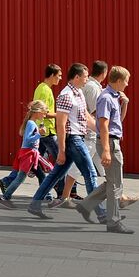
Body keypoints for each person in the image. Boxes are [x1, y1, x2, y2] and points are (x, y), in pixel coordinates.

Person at [27, 63, 105, 221]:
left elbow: (86, 117)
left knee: (56, 173)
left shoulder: (79, 94)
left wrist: (101, 131)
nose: (86, 79)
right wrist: (61, 150)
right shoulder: (66, 95)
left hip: (77, 138)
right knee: (90, 174)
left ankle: (34, 204)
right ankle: (102, 214)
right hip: (73, 139)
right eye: (84, 76)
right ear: (76, 77)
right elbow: (61, 124)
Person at [76, 66, 134, 234]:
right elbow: (103, 124)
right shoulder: (106, 98)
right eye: (126, 81)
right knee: (116, 184)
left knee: (112, 181)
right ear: (118, 81)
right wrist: (107, 150)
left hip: (112, 140)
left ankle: (86, 206)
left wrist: (125, 104)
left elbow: (117, 123)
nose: (127, 84)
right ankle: (113, 222)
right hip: (110, 142)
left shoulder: (114, 97)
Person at [51, 60, 108, 209]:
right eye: (85, 76)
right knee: (87, 171)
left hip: (88, 134)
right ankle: (91, 204)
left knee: (103, 168)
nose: (86, 78)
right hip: (86, 135)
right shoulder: (92, 89)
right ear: (104, 73)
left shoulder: (83, 88)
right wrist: (102, 128)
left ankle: (117, 196)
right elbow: (95, 113)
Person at [0, 101, 53, 207]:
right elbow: (28, 139)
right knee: (21, 177)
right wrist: (39, 135)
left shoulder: (31, 123)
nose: (45, 115)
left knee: (41, 175)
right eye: (44, 112)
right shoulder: (31, 124)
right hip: (28, 154)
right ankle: (5, 197)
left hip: (31, 154)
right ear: (37, 112)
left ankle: (48, 195)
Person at [33, 63, 64, 199]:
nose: (60, 78)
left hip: (43, 130)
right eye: (58, 76)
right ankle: (61, 190)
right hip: (47, 131)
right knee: (62, 160)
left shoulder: (42, 87)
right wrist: (61, 114)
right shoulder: (45, 90)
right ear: (51, 75)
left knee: (32, 160)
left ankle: (9, 180)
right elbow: (43, 112)